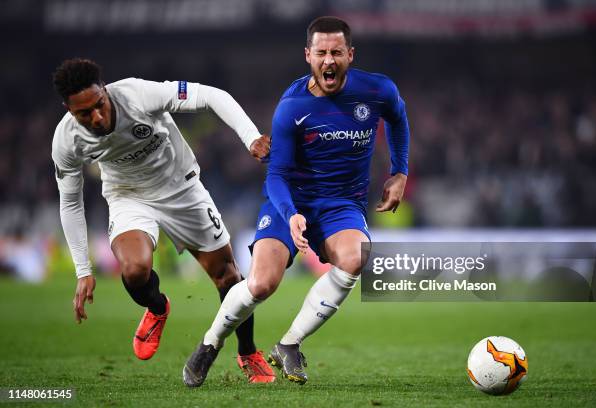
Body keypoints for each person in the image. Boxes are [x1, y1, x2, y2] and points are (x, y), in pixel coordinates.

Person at [182, 16, 409, 386]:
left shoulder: (378, 90)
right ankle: (210, 343)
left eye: (337, 52)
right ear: (308, 55)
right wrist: (290, 215)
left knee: (356, 257)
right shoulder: (292, 107)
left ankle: (289, 344)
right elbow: (277, 175)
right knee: (260, 284)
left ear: (350, 54)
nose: (329, 61)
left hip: (341, 205)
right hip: (289, 201)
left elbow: (398, 119)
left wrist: (399, 172)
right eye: (321, 53)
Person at [51, 58, 275, 383]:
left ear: (105, 90)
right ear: (68, 109)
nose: (96, 117)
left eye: (99, 105)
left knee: (228, 277)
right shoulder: (66, 140)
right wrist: (83, 270)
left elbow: (211, 96)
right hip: (128, 196)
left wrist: (250, 137)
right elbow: (70, 202)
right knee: (134, 270)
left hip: (180, 186)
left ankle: (247, 351)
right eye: (84, 114)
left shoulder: (138, 95)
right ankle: (157, 308)